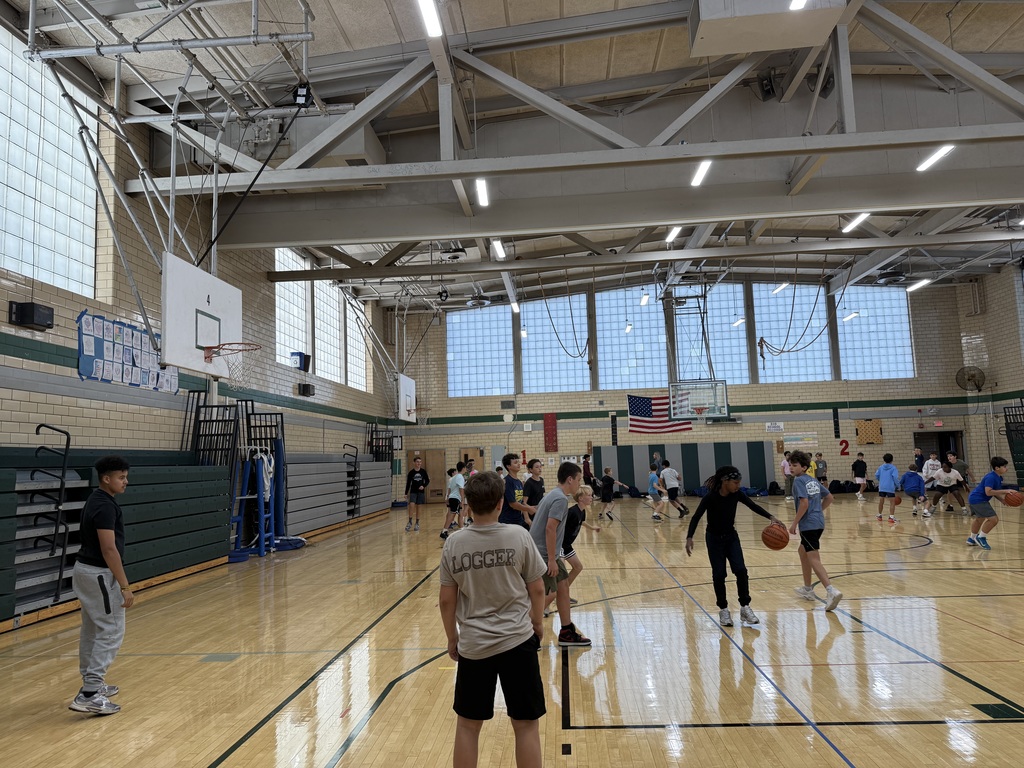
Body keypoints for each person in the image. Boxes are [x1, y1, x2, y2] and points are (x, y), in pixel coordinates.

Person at [439, 471, 547, 768]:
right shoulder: (518, 536)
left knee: (467, 726)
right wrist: (537, 623)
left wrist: (452, 637)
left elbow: (446, 600)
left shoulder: (454, 543)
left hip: (474, 645)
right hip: (518, 640)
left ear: (468, 505)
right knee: (525, 725)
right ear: (501, 503)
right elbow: (537, 588)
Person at [69, 456, 135, 715]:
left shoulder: (97, 499)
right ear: (106, 479)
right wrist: (124, 585)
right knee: (111, 629)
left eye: (126, 476)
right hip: (98, 574)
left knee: (93, 629)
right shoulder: (105, 507)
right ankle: (89, 693)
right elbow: (109, 549)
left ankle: (92, 682)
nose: (125, 481)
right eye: (121, 477)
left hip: (84, 571)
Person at [685, 466, 781, 627]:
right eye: (735, 482)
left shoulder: (737, 494)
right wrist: (689, 537)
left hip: (731, 537)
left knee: (741, 570)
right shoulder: (710, 497)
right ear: (725, 481)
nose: (738, 485)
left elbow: (753, 506)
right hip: (714, 539)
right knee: (719, 575)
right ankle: (723, 610)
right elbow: (696, 517)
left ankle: (745, 607)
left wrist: (771, 517)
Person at [529, 461, 591, 646]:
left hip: (550, 553)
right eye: (578, 480)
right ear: (569, 479)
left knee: (563, 585)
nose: (579, 484)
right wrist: (551, 560)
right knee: (543, 595)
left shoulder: (553, 495)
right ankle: (526, 635)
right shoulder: (560, 499)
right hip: (543, 555)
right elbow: (550, 529)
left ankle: (566, 631)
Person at [788, 451, 843, 612]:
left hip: (808, 525)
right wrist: (818, 511)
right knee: (802, 551)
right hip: (818, 522)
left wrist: (794, 524)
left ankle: (831, 590)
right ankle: (807, 589)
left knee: (813, 558)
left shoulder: (798, 481)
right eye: (790, 464)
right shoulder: (811, 480)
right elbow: (830, 497)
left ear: (804, 467)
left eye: (795, 465)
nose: (791, 467)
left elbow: (804, 504)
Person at [543, 485, 601, 616]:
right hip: (560, 545)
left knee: (578, 567)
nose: (591, 497)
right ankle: (544, 606)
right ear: (581, 498)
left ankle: (563, 594)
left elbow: (582, 522)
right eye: (589, 495)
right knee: (559, 577)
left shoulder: (582, 511)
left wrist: (592, 528)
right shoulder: (572, 512)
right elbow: (556, 526)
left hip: (567, 545)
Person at [966, 456, 1012, 550]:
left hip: (975, 498)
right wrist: (1005, 491)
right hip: (978, 499)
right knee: (993, 519)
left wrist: (1002, 500)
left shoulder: (998, 477)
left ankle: (972, 538)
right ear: (997, 468)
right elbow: (988, 492)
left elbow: (993, 491)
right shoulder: (991, 477)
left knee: (980, 519)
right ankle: (981, 537)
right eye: (1004, 466)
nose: (1006, 468)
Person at [498, 453, 535, 529]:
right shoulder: (507, 481)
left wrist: (527, 517)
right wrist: (528, 509)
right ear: (508, 466)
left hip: (518, 519)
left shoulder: (519, 482)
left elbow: (521, 501)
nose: (518, 464)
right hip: (507, 521)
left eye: (518, 462)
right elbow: (513, 504)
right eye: (515, 463)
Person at [404, 456, 429, 532]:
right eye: (417, 462)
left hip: (420, 492)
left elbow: (427, 480)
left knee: (419, 507)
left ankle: (417, 523)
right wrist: (405, 493)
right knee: (411, 505)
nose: (419, 463)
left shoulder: (423, 471)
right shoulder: (411, 473)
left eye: (420, 462)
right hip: (413, 491)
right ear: (414, 463)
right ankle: (410, 521)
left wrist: (423, 486)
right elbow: (408, 483)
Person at [441, 463, 466, 539]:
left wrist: (448, 497)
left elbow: (450, 489)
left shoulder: (454, 477)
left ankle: (462, 530)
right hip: (455, 498)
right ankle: (444, 531)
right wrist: (462, 499)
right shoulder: (460, 477)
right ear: (463, 468)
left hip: (453, 497)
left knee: (461, 513)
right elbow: (461, 488)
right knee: (452, 515)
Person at [875, 453, 899, 524]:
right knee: (892, 502)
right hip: (890, 487)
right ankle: (891, 517)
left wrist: (881, 480)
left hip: (882, 487)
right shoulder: (893, 468)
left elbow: (876, 475)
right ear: (892, 460)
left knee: (881, 501)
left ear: (884, 460)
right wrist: (898, 485)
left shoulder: (880, 467)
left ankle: (879, 515)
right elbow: (895, 477)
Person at [523, 459, 546, 525]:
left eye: (540, 466)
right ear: (531, 470)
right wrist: (527, 519)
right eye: (537, 467)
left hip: (539, 513)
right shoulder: (529, 483)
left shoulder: (541, 480)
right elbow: (524, 503)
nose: (539, 469)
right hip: (531, 514)